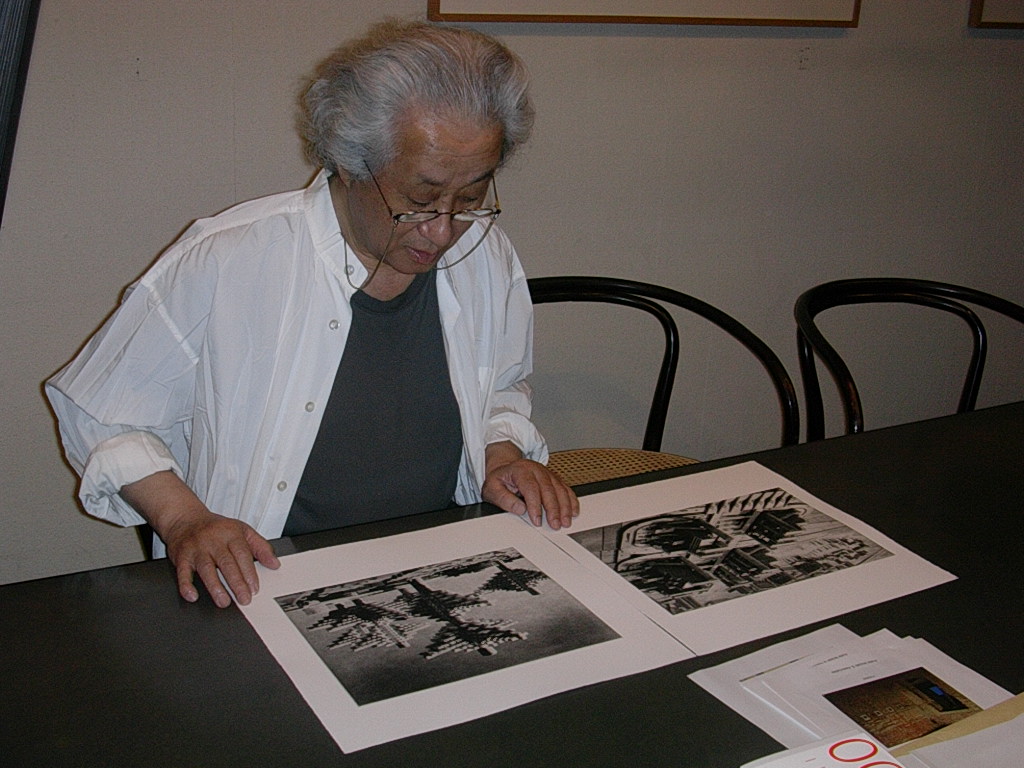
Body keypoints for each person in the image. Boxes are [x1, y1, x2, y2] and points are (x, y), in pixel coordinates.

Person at [45, 19, 578, 609]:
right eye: (420, 200)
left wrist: (501, 452)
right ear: (350, 162)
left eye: (471, 197)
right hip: (267, 579)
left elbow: (500, 387)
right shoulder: (228, 259)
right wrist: (184, 520)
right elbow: (103, 415)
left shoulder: (487, 256)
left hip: (441, 566)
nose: (444, 230)